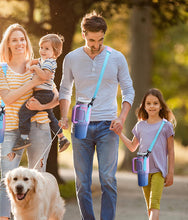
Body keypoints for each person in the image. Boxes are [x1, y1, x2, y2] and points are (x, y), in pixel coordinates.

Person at [59, 11, 135, 220]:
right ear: (84, 34)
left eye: (100, 39)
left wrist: (121, 118)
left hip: (108, 126)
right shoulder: (72, 58)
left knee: (108, 179)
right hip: (80, 125)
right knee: (82, 182)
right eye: (92, 40)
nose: (96, 45)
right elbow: (65, 90)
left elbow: (129, 91)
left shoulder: (117, 57)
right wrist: (64, 115)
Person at [0, 23, 58, 220]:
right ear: (8, 44)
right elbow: (8, 98)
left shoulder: (38, 65)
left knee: (38, 181)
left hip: (39, 126)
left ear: (26, 42)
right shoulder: (1, 68)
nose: (19, 43)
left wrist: (41, 107)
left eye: (22, 39)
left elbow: (55, 96)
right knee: (7, 181)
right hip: (11, 129)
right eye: (14, 40)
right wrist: (33, 82)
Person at [112, 88, 175, 220]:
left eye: (155, 103)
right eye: (149, 103)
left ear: (161, 106)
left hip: (159, 171)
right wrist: (119, 134)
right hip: (143, 171)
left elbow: (171, 151)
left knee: (154, 203)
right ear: (144, 106)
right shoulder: (140, 126)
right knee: (149, 207)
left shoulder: (166, 126)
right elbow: (132, 146)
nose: (152, 106)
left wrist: (171, 173)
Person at [17, 34, 70, 152]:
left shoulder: (50, 62)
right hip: (45, 94)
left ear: (55, 52)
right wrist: (29, 64)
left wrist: (35, 68)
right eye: (41, 47)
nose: (42, 51)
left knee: (23, 112)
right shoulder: (43, 60)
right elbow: (34, 61)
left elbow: (45, 76)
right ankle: (62, 138)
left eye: (47, 48)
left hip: (43, 94)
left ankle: (23, 138)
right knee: (50, 117)